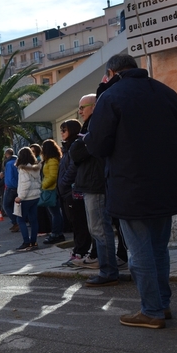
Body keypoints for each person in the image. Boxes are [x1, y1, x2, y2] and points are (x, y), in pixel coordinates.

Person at [84, 54, 177, 329]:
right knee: (159, 250)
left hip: (130, 186)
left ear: (111, 72)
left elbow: (97, 145)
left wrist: (103, 95)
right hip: (165, 183)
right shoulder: (168, 93)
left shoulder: (112, 96)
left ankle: (151, 311)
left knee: (139, 252)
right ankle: (162, 305)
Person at [71, 92, 121, 286]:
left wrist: (79, 144)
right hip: (92, 183)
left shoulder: (96, 125)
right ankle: (107, 269)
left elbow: (78, 151)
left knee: (100, 229)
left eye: (83, 107)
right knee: (97, 228)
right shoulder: (89, 126)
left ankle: (108, 271)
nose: (80, 111)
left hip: (96, 184)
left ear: (94, 107)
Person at [58, 119, 91, 266]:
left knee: (80, 224)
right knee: (75, 224)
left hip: (74, 192)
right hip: (66, 192)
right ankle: (78, 250)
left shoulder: (75, 146)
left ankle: (81, 252)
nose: (62, 133)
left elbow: (73, 168)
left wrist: (64, 182)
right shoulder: (66, 148)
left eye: (64, 130)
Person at [13, 147, 41, 251]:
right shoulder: (35, 167)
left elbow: (26, 184)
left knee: (20, 219)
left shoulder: (23, 168)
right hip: (35, 196)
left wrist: (20, 197)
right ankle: (33, 242)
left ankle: (26, 242)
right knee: (33, 220)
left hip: (26, 197)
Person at [41, 139, 65, 245]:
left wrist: (43, 185)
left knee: (55, 213)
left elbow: (53, 176)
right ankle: (57, 233)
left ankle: (56, 234)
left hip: (51, 189)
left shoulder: (52, 161)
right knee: (55, 213)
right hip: (51, 188)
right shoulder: (52, 160)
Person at [2, 148, 20, 231]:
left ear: (6, 154)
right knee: (15, 206)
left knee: (6, 205)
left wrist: (9, 186)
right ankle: (18, 222)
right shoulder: (17, 161)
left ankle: (15, 222)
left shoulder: (9, 164)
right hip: (18, 187)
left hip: (11, 187)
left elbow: (10, 177)